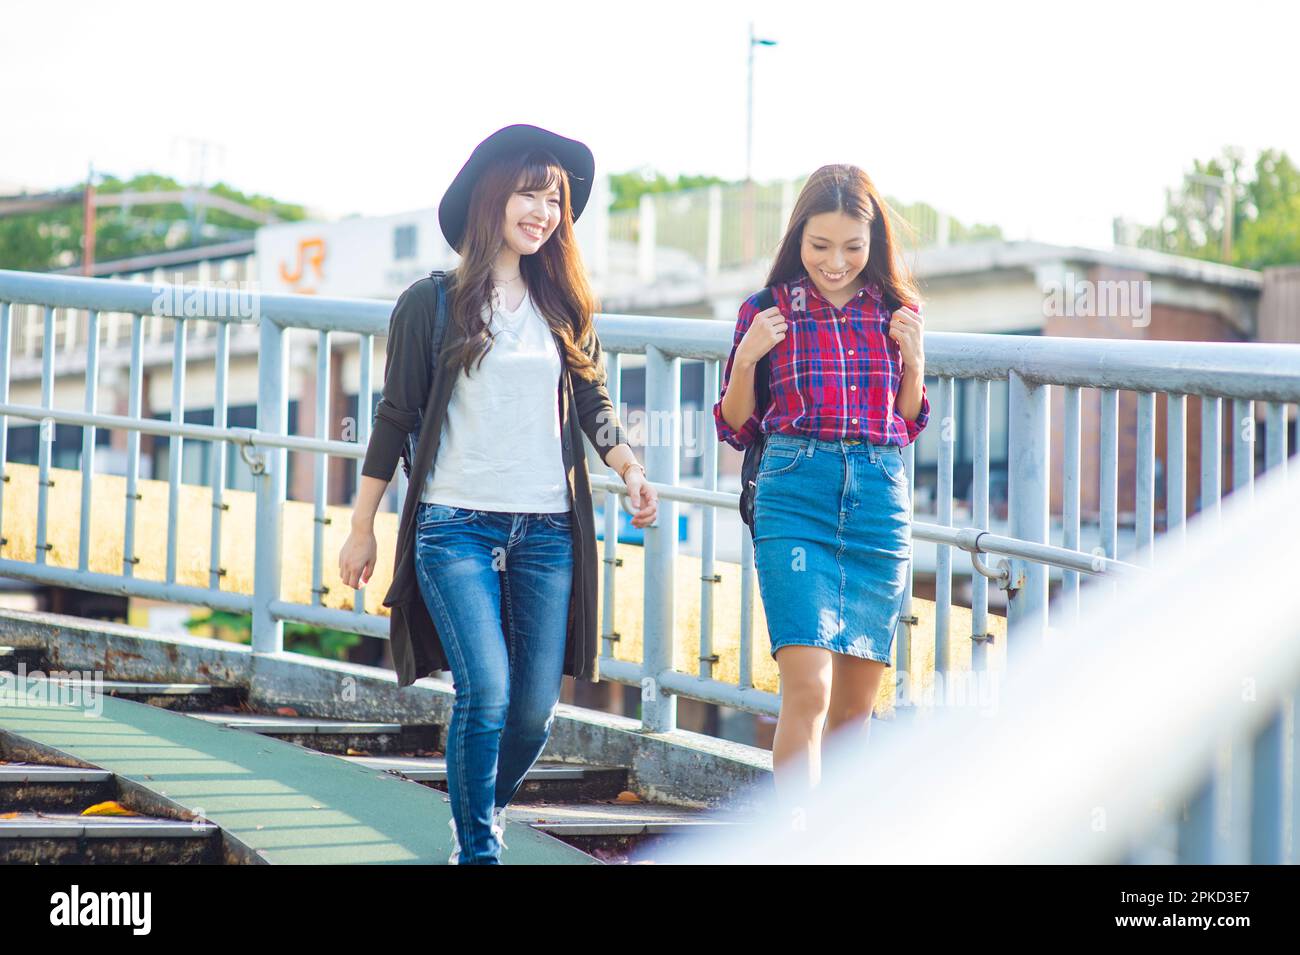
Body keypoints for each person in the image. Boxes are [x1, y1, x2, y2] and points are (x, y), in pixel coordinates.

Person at [339, 124, 657, 864]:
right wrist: (364, 527)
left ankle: (476, 803)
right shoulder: (433, 303)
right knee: (485, 690)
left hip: (548, 529)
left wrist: (629, 467)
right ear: (491, 198)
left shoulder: (565, 305)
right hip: (455, 525)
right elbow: (394, 419)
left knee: (532, 714)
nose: (543, 211)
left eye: (555, 199)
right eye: (528, 192)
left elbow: (594, 404)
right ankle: (476, 845)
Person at [713, 163, 929, 807]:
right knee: (808, 688)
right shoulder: (766, 310)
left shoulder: (896, 311)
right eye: (819, 246)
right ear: (797, 238)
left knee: (857, 710)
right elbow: (734, 423)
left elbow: (907, 420)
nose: (835, 262)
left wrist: (914, 359)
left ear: (875, 245)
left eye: (852, 248)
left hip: (877, 500)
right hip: (794, 493)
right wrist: (749, 356)